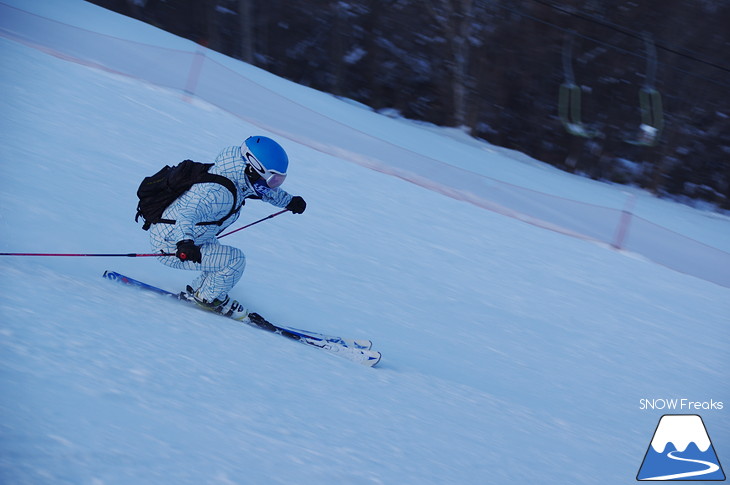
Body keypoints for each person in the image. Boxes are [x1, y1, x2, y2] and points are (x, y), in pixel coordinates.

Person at [149, 135, 306, 320]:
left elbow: (265, 193)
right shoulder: (217, 192)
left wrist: (289, 201)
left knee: (218, 255)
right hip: (173, 244)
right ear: (252, 167)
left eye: (279, 180)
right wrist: (185, 242)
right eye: (273, 180)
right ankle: (209, 298)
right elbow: (187, 214)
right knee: (234, 260)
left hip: (193, 236)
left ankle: (200, 289)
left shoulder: (239, 177)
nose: (274, 185)